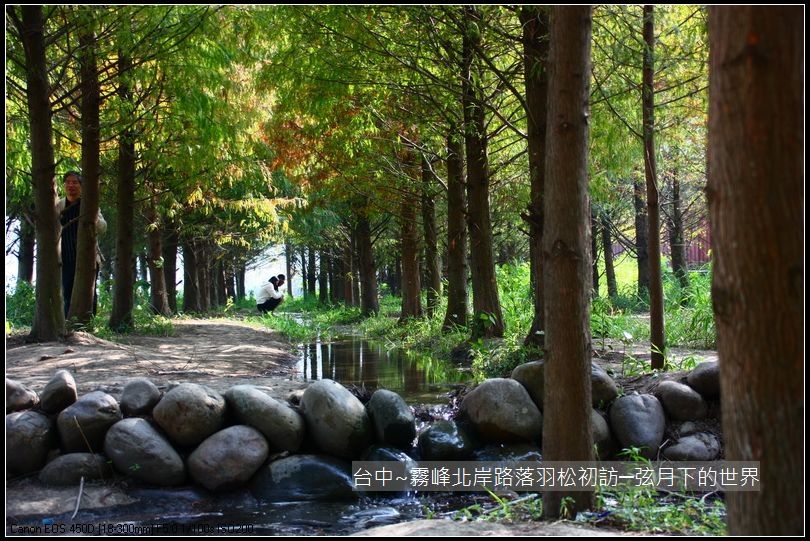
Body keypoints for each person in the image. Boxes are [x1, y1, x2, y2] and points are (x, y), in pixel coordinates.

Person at [57, 171, 107, 317]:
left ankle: (88, 325)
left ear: (81, 186)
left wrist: (94, 219)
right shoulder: (59, 205)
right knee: (67, 292)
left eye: (75, 182)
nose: (71, 185)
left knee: (89, 293)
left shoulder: (88, 205)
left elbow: (103, 227)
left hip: (88, 257)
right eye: (68, 182)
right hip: (66, 257)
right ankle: (69, 325)